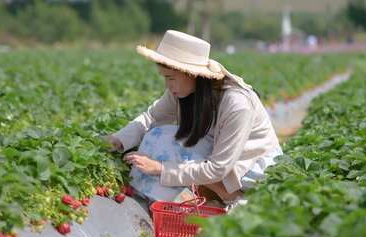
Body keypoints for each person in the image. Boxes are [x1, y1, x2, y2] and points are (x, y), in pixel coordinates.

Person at [103, 30, 282, 205]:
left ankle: (232, 197)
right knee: (159, 136)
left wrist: (161, 169)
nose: (167, 84)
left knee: (173, 148)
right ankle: (190, 197)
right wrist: (118, 140)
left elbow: (218, 168)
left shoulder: (237, 104)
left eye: (170, 78)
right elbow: (151, 118)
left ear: (190, 73)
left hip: (251, 170)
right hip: (218, 158)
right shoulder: (183, 90)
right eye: (165, 77)